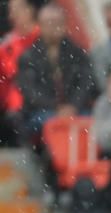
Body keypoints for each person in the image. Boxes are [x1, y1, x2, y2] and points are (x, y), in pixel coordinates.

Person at [16, 3, 96, 138]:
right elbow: (30, 92)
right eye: (49, 23)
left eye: (57, 22)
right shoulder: (29, 56)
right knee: (46, 122)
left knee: (94, 123)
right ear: (40, 25)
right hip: (43, 111)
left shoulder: (78, 53)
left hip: (76, 110)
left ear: (65, 24)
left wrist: (73, 106)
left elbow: (86, 84)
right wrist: (57, 108)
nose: (54, 27)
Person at [0, 0, 39, 143]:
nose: (11, 16)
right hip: (18, 104)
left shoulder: (46, 36)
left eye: (16, 10)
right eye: (10, 11)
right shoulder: (6, 46)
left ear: (30, 10)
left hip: (48, 98)